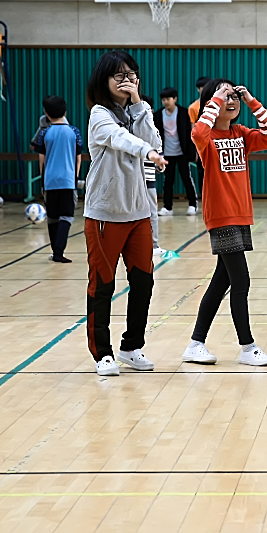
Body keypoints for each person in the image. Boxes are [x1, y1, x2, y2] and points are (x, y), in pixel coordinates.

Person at [182, 79, 267, 367]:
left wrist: (251, 100)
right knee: (241, 280)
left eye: (233, 95)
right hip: (221, 216)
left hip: (241, 216)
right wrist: (215, 100)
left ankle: (195, 343)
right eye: (223, 96)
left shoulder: (241, 133)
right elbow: (198, 129)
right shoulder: (206, 136)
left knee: (221, 280)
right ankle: (247, 346)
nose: (230, 100)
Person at [83, 50, 166, 377]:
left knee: (143, 283)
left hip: (138, 214)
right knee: (103, 284)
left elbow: (153, 141)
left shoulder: (139, 111)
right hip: (105, 213)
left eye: (131, 74)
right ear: (104, 81)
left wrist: (141, 106)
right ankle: (102, 353)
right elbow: (122, 139)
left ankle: (131, 347)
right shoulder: (99, 115)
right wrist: (145, 150)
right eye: (119, 75)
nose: (126, 80)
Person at [33, 95, 83, 264]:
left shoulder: (45, 133)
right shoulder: (74, 131)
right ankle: (59, 252)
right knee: (67, 217)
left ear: (46, 113)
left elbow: (42, 159)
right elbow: (78, 158)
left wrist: (43, 181)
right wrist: (75, 178)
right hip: (68, 180)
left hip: (50, 180)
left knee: (52, 217)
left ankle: (55, 251)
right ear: (65, 111)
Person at [155, 87, 197, 216]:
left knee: (186, 178)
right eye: (163, 99)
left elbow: (190, 134)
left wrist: (193, 152)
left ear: (175, 99)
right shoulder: (158, 115)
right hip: (167, 153)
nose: (166, 102)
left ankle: (192, 205)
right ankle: (167, 207)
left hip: (182, 153)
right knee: (168, 181)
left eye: (168, 99)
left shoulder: (184, 113)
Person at [140, 95, 165, 258]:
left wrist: (160, 164)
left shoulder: (154, 132)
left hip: (148, 180)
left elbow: (160, 160)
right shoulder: (126, 129)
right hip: (130, 181)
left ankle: (154, 245)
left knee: (151, 213)